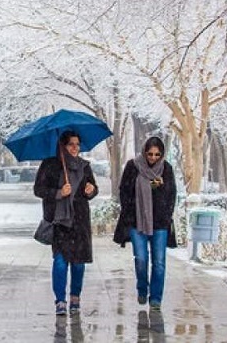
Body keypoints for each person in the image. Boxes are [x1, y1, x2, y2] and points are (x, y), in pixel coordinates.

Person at [34, 130, 99, 316]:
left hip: (80, 221)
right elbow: (38, 189)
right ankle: (60, 300)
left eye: (77, 144)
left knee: (78, 264)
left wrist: (91, 189)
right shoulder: (49, 165)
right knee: (61, 262)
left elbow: (93, 189)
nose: (75, 148)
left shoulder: (84, 167)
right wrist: (58, 193)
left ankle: (75, 297)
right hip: (59, 221)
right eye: (71, 144)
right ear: (62, 146)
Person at [113, 136, 177, 310]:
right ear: (144, 152)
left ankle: (156, 297)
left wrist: (160, 191)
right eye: (150, 154)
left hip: (160, 222)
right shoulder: (133, 167)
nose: (153, 158)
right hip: (137, 221)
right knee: (141, 259)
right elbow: (124, 191)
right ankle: (142, 289)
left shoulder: (166, 169)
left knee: (159, 262)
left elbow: (171, 194)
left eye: (157, 154)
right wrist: (131, 210)